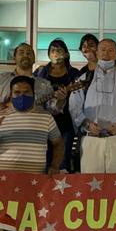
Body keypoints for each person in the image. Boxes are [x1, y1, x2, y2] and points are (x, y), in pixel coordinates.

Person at [70, 38, 116, 173]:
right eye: (103, 50)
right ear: (97, 53)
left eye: (111, 50)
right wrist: (87, 124)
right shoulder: (84, 79)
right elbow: (74, 108)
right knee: (90, 183)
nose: (106, 54)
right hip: (91, 140)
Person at [0, 43, 59, 154]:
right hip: (3, 137)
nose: (25, 55)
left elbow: (52, 110)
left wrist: (60, 100)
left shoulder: (44, 85)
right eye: (21, 52)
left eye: (29, 53)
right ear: (14, 58)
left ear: (34, 59)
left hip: (32, 137)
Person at [0, 76, 64, 175]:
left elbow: (59, 143)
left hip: (35, 179)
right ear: (11, 95)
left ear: (33, 94)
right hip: (5, 178)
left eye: (26, 92)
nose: (22, 96)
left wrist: (55, 165)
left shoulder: (46, 117)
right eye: (17, 92)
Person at [35, 39, 84, 172]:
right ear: (48, 54)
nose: (56, 53)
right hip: (43, 123)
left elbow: (80, 97)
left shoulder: (73, 73)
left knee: (62, 161)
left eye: (59, 50)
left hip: (65, 123)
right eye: (52, 50)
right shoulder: (40, 72)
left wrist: (63, 98)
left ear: (66, 54)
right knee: (44, 160)